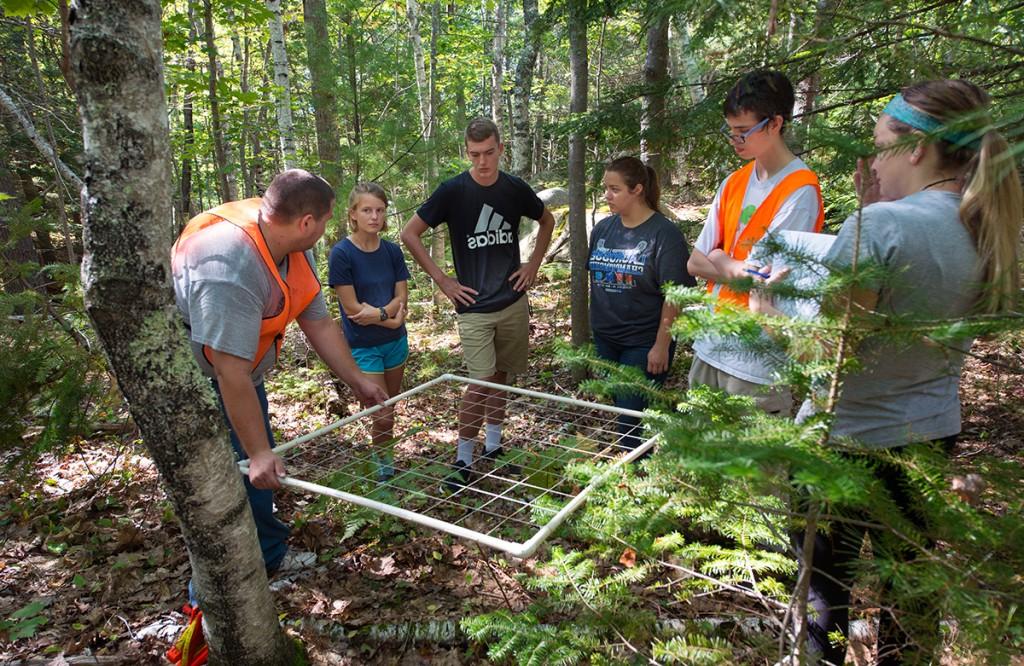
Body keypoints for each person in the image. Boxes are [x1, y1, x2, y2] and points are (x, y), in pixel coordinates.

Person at [752, 80, 1022, 664]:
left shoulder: (881, 228)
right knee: (911, 597)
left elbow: (824, 353)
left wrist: (766, 306)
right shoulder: (981, 222)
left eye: (880, 144)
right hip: (932, 436)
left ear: (917, 148)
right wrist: (870, 211)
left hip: (845, 442)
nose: (874, 158)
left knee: (823, 599)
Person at [171, 169, 388, 600]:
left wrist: (358, 380)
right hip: (198, 383)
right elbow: (227, 372)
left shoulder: (291, 244)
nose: (327, 229)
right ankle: (211, 600)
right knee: (229, 483)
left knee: (259, 471)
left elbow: (319, 323)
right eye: (325, 221)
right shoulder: (229, 269)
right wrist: (257, 453)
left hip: (241, 371)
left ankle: (269, 554)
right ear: (306, 222)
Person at [401, 117, 556, 488]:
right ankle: (463, 459)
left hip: (512, 299)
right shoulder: (453, 191)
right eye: (475, 155)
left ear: (501, 149)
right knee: (480, 381)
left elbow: (547, 220)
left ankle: (493, 445)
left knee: (501, 377)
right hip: (472, 306)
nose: (483, 162)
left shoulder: (514, 188)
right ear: (466, 152)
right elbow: (410, 233)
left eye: (489, 153)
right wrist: (443, 280)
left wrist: (532, 265)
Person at [686, 70, 824, 415]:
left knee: (754, 468)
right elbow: (694, 262)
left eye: (743, 131)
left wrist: (719, 257)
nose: (735, 140)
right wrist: (731, 263)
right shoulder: (734, 182)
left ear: (775, 123)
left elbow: (763, 282)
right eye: (730, 131)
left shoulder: (799, 191)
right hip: (709, 344)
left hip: (757, 361)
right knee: (701, 463)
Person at [588, 156, 695, 450]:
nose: (607, 196)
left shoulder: (664, 234)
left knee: (630, 419)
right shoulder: (603, 229)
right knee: (623, 409)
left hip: (644, 342)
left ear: (637, 190)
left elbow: (675, 295)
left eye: (614, 189)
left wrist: (661, 345)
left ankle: (637, 480)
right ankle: (636, 473)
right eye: (605, 188)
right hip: (607, 339)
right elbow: (597, 280)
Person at [328, 182, 410, 482]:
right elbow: (352, 309)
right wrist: (389, 317)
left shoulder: (391, 251)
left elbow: (402, 298)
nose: (374, 216)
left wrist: (383, 316)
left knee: (391, 408)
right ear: (353, 214)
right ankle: (383, 474)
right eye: (366, 210)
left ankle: (386, 459)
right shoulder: (342, 254)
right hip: (363, 346)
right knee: (381, 412)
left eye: (379, 210)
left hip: (396, 343)